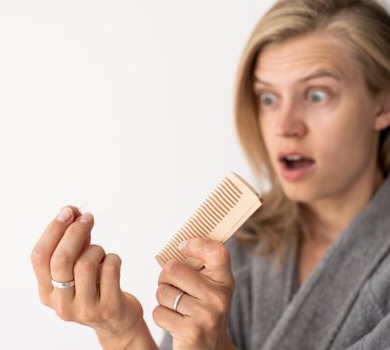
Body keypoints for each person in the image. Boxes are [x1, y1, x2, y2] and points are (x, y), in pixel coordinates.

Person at [30, 0, 390, 348]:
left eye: (315, 95)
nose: (284, 126)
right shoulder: (238, 242)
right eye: (267, 98)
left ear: (383, 104)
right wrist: (121, 333)